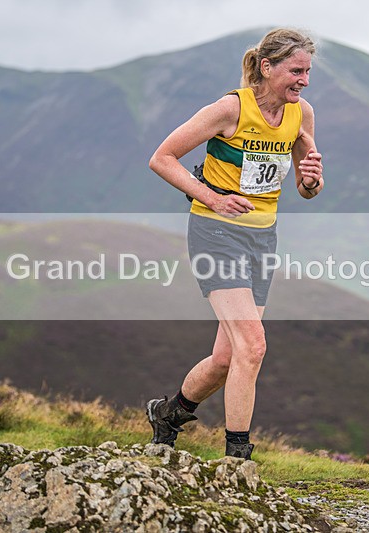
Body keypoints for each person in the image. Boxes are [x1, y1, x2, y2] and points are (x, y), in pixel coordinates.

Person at [146, 28, 323, 460]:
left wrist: (311, 180)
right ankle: (237, 459)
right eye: (296, 71)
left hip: (262, 239)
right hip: (216, 233)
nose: (304, 81)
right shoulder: (231, 109)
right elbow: (162, 158)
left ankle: (168, 414)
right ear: (267, 67)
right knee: (254, 345)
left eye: (307, 72)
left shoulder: (302, 115)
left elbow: (307, 190)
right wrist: (212, 197)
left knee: (227, 359)